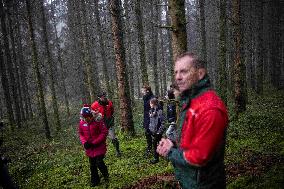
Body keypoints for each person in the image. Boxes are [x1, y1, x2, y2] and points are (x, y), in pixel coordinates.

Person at [157, 52, 228, 189]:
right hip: (190, 181)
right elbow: (190, 138)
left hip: (204, 184)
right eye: (176, 72)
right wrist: (173, 143)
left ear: (200, 73)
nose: (177, 77)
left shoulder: (210, 108)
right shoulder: (191, 101)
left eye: (184, 71)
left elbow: (200, 157)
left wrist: (170, 151)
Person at [78, 106, 109, 187]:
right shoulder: (82, 122)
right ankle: (95, 181)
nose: (85, 119)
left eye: (87, 117)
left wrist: (94, 143)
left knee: (99, 162)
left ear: (90, 115)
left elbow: (104, 133)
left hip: (99, 146)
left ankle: (106, 175)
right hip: (89, 148)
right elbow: (81, 133)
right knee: (92, 165)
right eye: (84, 117)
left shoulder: (98, 121)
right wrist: (84, 143)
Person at [91, 92, 121, 157]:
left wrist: (110, 118)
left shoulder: (109, 103)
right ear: (99, 97)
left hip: (109, 123)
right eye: (102, 97)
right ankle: (101, 153)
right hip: (100, 124)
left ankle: (118, 151)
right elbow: (92, 115)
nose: (104, 97)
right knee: (101, 139)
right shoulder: (94, 105)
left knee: (113, 137)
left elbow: (112, 111)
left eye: (105, 96)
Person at [148, 98, 164, 164]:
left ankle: (156, 159)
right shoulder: (150, 111)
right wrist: (150, 129)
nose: (150, 104)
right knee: (160, 143)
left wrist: (159, 132)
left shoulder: (160, 111)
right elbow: (151, 121)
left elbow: (163, 123)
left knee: (155, 144)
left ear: (153, 104)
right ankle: (165, 154)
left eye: (150, 103)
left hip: (158, 132)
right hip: (153, 131)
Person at [141, 85, 155, 156]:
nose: (142, 91)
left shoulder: (152, 98)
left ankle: (157, 149)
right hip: (146, 117)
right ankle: (149, 148)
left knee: (154, 134)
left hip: (152, 118)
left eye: (143, 90)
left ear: (147, 91)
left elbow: (155, 109)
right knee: (147, 133)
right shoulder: (145, 98)